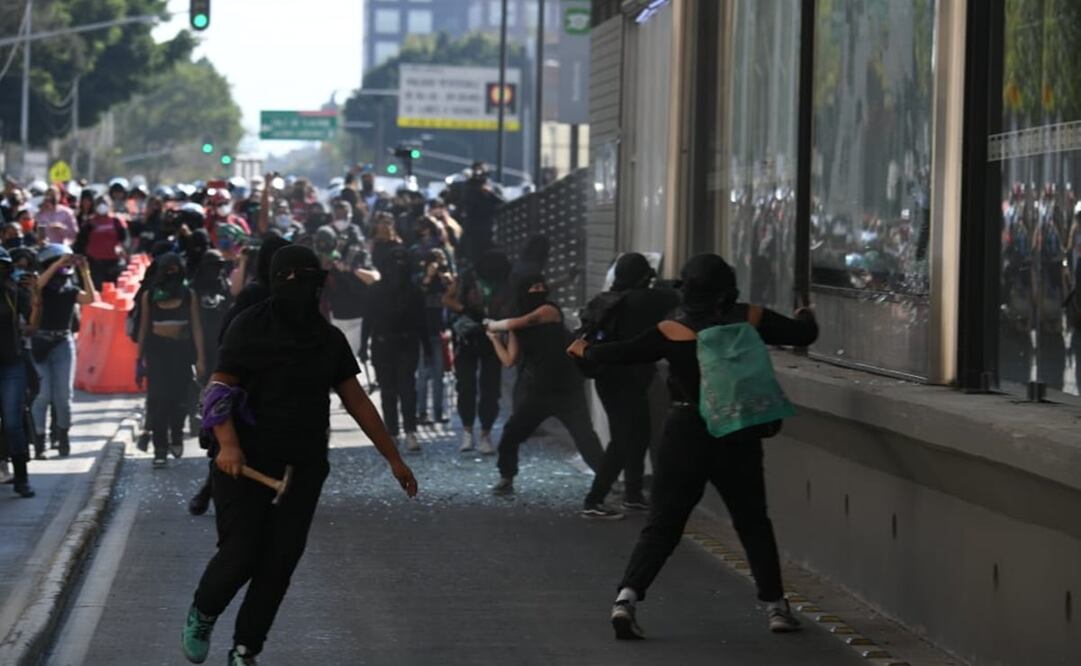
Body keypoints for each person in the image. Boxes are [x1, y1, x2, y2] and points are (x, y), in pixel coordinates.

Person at [180, 245, 418, 666]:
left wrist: (393, 458)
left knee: (279, 563)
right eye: (288, 279)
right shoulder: (249, 327)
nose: (297, 289)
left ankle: (245, 649)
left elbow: (358, 401)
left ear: (318, 284)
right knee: (240, 555)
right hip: (243, 464)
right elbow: (217, 390)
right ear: (273, 281)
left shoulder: (327, 339)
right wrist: (230, 445)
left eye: (305, 280)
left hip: (304, 466)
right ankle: (204, 612)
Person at [568, 253, 818, 640]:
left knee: (664, 523)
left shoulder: (672, 329)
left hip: (685, 431)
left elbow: (624, 352)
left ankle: (627, 598)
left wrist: (586, 350)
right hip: (738, 432)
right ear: (727, 286)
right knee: (752, 521)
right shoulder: (749, 317)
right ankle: (775, 608)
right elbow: (804, 335)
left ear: (688, 288)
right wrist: (805, 314)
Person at [188, 236, 291, 517]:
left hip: (276, 381)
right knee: (226, 440)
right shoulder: (254, 296)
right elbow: (232, 338)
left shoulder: (291, 295)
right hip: (244, 379)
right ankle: (211, 492)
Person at [484, 274, 607, 503]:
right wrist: (493, 339)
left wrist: (492, 325)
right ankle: (506, 476)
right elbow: (509, 360)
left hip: (567, 387)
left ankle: (606, 480)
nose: (539, 290)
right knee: (512, 432)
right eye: (533, 287)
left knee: (585, 437)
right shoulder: (517, 326)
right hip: (539, 391)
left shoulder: (549, 310)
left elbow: (513, 323)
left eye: (541, 286)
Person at [580, 253, 680, 513]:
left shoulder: (604, 299)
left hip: (606, 377)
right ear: (644, 276)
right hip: (629, 379)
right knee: (624, 439)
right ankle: (595, 499)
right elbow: (676, 297)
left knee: (639, 433)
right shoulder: (648, 299)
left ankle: (633, 493)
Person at [137, 253, 206, 468]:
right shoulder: (149, 296)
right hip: (157, 352)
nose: (171, 273)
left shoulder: (188, 295)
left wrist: (201, 358)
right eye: (168, 268)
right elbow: (143, 327)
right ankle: (159, 449)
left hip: (182, 351)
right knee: (158, 401)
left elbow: (196, 326)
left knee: (180, 400)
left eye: (175, 268)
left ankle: (176, 434)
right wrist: (138, 360)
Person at [30, 245, 95, 460]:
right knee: (42, 395)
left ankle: (62, 435)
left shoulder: (70, 287)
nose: (64, 267)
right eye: (59, 262)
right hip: (40, 342)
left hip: (62, 343)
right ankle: (40, 441)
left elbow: (90, 299)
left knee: (63, 397)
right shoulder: (42, 286)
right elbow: (37, 286)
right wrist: (58, 262)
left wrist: (84, 271)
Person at [443, 250, 511, 454]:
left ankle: (485, 433)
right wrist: (465, 311)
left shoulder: (504, 280)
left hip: (493, 337)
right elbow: (447, 298)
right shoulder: (467, 277)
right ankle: (468, 431)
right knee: (466, 387)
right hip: (468, 337)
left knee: (490, 389)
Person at [362, 247, 428, 452]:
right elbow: (369, 319)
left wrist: (364, 345)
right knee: (397, 390)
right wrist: (363, 345)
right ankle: (399, 432)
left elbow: (420, 321)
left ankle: (400, 433)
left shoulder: (409, 291)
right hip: (391, 344)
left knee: (399, 390)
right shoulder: (411, 290)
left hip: (397, 344)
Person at [0, 247, 41, 497]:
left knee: (13, 421)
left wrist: (36, 295)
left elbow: (32, 327)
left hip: (11, 364)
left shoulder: (14, 293)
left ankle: (21, 477)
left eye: (3, 267)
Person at [323, 201, 379, 361]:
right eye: (337, 214)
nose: (341, 219)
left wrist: (351, 269)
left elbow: (373, 276)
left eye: (344, 214)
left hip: (356, 310)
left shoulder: (357, 238)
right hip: (332, 309)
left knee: (349, 358)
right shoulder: (326, 236)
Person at [416, 248, 453, 425]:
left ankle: (439, 412)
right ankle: (421, 412)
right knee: (423, 374)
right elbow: (417, 295)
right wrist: (428, 277)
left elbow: (454, 299)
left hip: (440, 332)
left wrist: (450, 283)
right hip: (423, 332)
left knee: (440, 375)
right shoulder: (420, 278)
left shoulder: (445, 279)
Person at [74, 196, 128, 288]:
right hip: (94, 263)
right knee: (97, 289)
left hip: (113, 262)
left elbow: (124, 239)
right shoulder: (89, 222)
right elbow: (81, 242)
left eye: (104, 203)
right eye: (99, 203)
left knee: (112, 289)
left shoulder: (116, 221)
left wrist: (122, 250)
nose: (102, 206)